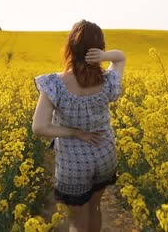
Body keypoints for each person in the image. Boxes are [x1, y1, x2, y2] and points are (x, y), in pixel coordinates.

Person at [32, 19, 126, 232]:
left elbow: (39, 127)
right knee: (95, 209)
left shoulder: (54, 84)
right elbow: (120, 58)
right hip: (104, 153)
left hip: (74, 162)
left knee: (77, 220)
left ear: (70, 48)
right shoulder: (109, 82)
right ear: (99, 49)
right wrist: (104, 57)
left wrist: (75, 132)